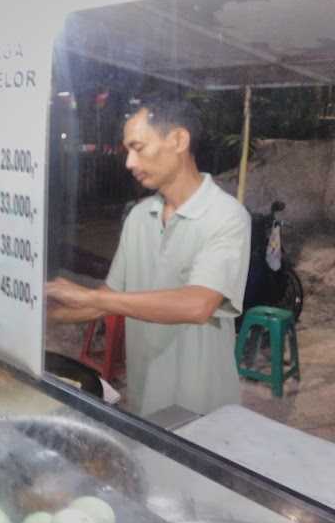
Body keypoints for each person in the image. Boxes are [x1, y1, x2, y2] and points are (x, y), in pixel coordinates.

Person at [46, 96, 251, 417]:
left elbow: (198, 305)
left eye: (138, 148)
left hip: (201, 403)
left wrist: (86, 295)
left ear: (179, 140)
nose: (129, 162)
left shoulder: (225, 216)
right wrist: (46, 314)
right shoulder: (140, 216)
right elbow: (108, 297)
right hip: (145, 395)